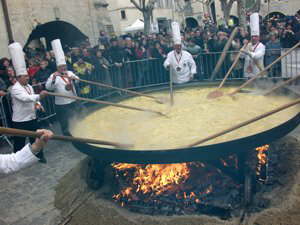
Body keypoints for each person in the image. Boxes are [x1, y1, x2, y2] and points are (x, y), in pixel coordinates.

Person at [9, 42, 48, 163]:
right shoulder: (15, 89)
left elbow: (33, 99)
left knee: (36, 138)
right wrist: (39, 96)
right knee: (19, 142)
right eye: (24, 76)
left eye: (27, 76)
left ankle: (39, 155)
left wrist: (39, 105)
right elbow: (26, 98)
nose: (27, 78)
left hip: (31, 118)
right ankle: (16, 160)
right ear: (19, 77)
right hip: (20, 121)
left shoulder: (29, 86)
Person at [46, 39, 80, 136]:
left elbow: (77, 79)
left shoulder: (69, 73)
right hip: (61, 103)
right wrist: (53, 78)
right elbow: (48, 87)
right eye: (61, 67)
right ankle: (66, 134)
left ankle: (77, 130)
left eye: (64, 66)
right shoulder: (53, 75)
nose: (64, 68)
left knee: (75, 116)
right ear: (58, 68)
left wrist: (74, 78)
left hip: (73, 99)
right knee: (64, 120)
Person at [241, 13, 266, 78]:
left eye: (255, 36)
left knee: (257, 86)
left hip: (257, 70)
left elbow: (256, 56)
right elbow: (241, 56)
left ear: (259, 37)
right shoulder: (248, 44)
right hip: (247, 71)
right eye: (252, 36)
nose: (254, 38)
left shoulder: (261, 46)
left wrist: (246, 52)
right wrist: (243, 46)